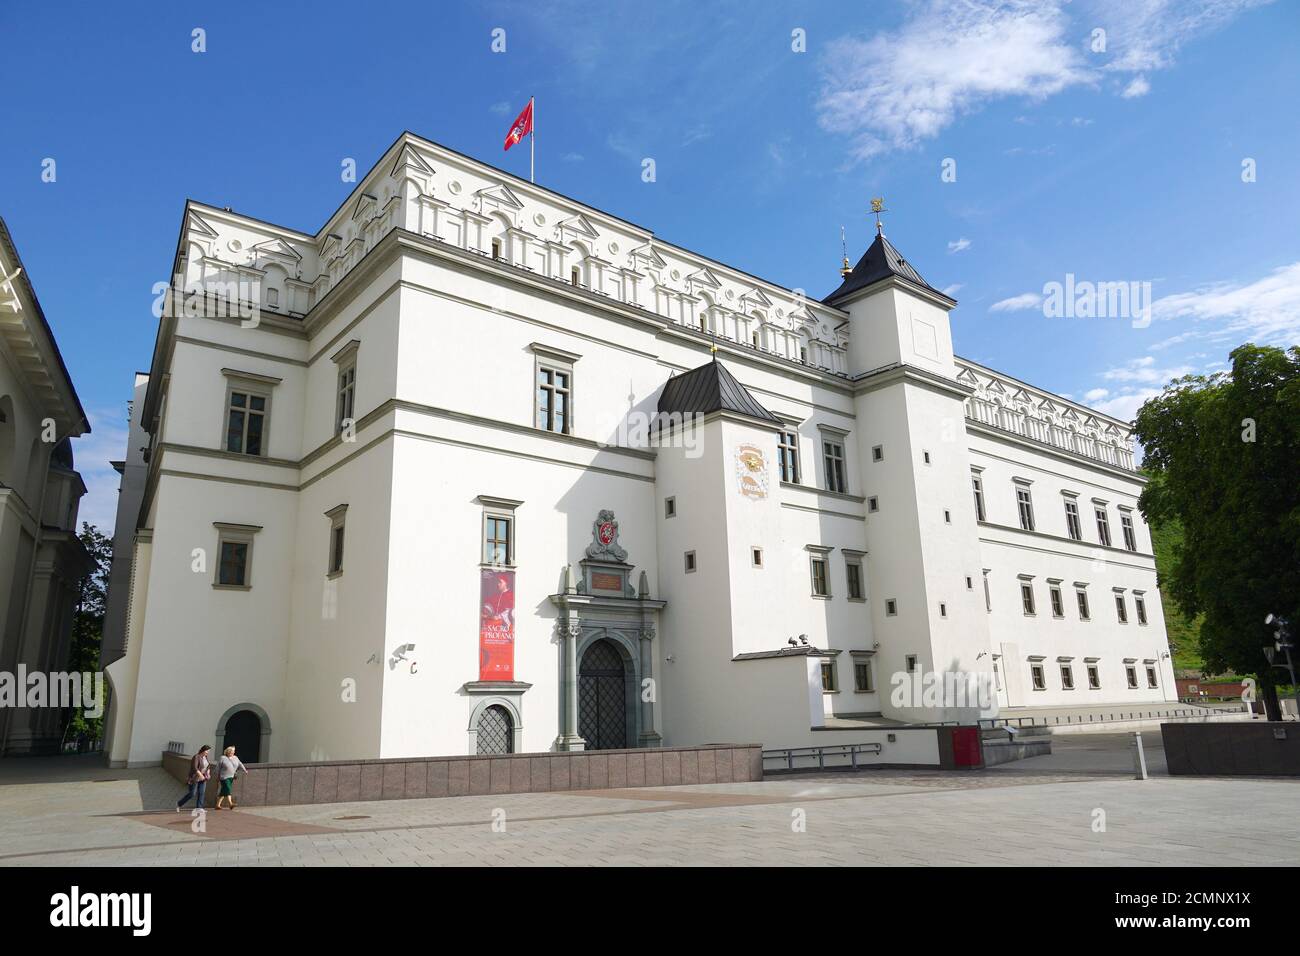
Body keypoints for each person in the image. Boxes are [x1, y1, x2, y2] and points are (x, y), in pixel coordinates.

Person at [176, 745, 212, 812]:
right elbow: (194, 768)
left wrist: (208, 773)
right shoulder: (196, 757)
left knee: (202, 793)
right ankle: (179, 803)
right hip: (195, 778)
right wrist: (200, 775)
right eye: (207, 751)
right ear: (203, 750)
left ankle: (199, 808)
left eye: (208, 751)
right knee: (192, 794)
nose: (208, 752)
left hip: (203, 778)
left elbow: (208, 766)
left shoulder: (205, 757)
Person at [215, 745, 249, 810]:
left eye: (234, 751)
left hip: (231, 777)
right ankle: (230, 804)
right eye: (232, 751)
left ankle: (217, 805)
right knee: (228, 788)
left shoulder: (235, 757)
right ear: (228, 751)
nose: (233, 752)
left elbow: (240, 764)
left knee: (224, 791)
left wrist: (245, 770)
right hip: (224, 777)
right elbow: (218, 767)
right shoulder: (222, 758)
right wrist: (217, 775)